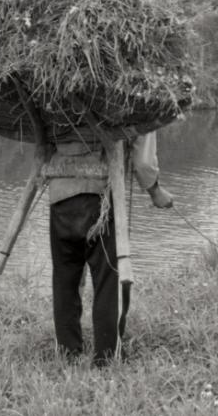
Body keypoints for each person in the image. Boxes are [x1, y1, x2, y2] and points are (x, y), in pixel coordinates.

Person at [47, 131, 173, 367]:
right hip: (101, 198)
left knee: (65, 278)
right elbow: (143, 160)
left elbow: (44, 144)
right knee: (109, 279)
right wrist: (155, 191)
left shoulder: (54, 104)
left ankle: (67, 352)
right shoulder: (131, 98)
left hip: (60, 197)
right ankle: (106, 357)